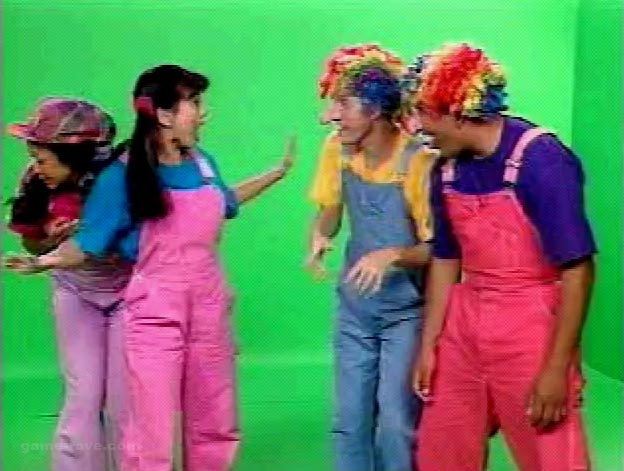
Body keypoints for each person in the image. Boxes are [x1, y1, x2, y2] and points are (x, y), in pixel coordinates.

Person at [6, 64, 294, 471]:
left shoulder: (203, 163)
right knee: (142, 420)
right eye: (195, 103)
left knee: (214, 412)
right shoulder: (122, 174)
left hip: (205, 305)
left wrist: (276, 174)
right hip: (151, 307)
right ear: (163, 114)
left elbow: (226, 202)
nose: (203, 113)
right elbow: (88, 243)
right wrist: (43, 259)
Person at [410, 43, 595, 470]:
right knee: (442, 446)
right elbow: (445, 258)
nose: (417, 127)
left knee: (551, 454)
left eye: (424, 113)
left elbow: (578, 270)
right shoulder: (444, 167)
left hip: (531, 325)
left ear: (457, 112)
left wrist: (556, 368)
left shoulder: (542, 160)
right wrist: (430, 344)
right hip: (464, 321)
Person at [307, 44, 436, 471]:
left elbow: (438, 249)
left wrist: (392, 254)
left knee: (396, 422)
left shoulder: (418, 162)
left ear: (376, 109)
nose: (330, 116)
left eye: (342, 105)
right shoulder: (337, 150)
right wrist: (319, 235)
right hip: (355, 309)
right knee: (349, 419)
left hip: (406, 313)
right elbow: (330, 211)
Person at [5, 98, 131, 471]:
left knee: (125, 396)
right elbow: (32, 244)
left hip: (129, 295)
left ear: (73, 157)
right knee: (83, 392)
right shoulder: (36, 183)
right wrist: (50, 241)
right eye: (33, 158)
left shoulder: (118, 181)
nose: (36, 167)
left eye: (43, 159)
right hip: (75, 292)